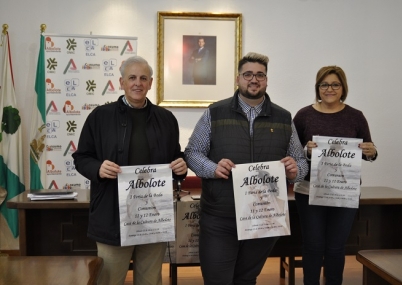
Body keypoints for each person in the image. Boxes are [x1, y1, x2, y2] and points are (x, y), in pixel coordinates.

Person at [184, 52, 308, 285]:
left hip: (264, 216)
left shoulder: (283, 118)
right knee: (217, 279)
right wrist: (212, 168)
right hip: (221, 216)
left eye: (260, 75)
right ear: (238, 78)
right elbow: (192, 153)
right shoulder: (215, 113)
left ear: (266, 80)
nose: (254, 79)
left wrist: (295, 171)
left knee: (246, 279)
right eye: (248, 74)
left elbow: (300, 162)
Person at [72, 55, 187, 285]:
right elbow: (81, 157)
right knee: (109, 278)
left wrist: (181, 166)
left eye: (143, 78)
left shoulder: (166, 119)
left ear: (151, 83)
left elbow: (175, 157)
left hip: (153, 216)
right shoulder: (100, 116)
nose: (138, 83)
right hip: (112, 215)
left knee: (150, 279)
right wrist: (98, 168)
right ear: (121, 82)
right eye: (132, 77)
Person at [293, 65, 378, 285]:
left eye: (335, 84)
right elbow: (291, 151)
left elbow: (368, 149)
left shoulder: (356, 116)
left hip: (344, 191)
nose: (329, 88)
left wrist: (372, 151)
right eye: (324, 84)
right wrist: (305, 150)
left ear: (343, 88)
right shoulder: (303, 115)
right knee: (312, 245)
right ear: (317, 87)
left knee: (336, 247)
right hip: (309, 191)